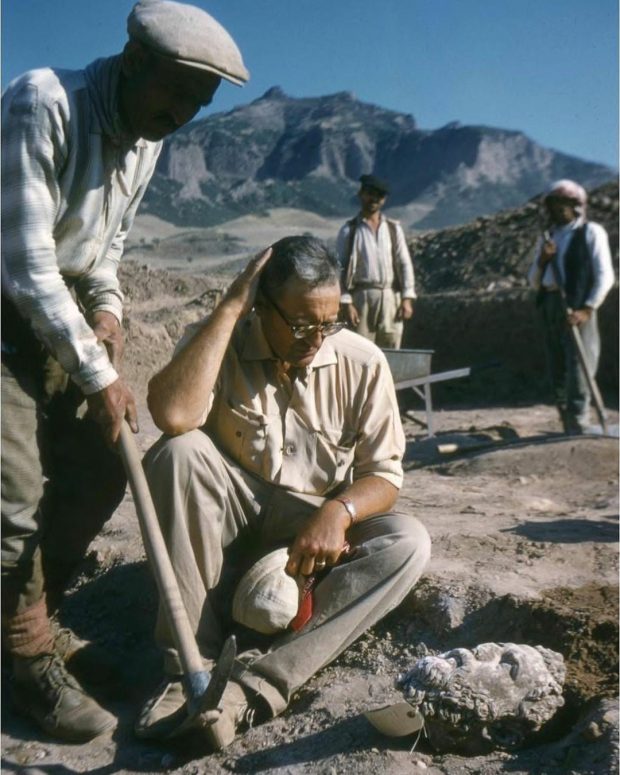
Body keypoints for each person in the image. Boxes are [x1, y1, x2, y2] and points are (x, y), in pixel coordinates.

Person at [1, 0, 248, 742]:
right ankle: (22, 658)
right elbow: (27, 261)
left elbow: (105, 252)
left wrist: (107, 312)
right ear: (134, 61)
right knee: (11, 495)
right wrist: (96, 369)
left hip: (64, 318)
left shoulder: (147, 139)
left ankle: (34, 617)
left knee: (103, 465)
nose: (180, 115)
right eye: (173, 94)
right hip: (9, 304)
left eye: (196, 107)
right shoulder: (43, 101)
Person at [136, 235, 431, 749]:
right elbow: (173, 416)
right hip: (226, 524)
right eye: (299, 323)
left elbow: (384, 475)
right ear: (259, 305)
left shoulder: (362, 363)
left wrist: (339, 512)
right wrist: (229, 309)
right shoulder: (219, 340)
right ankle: (189, 668)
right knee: (177, 453)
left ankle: (255, 688)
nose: (315, 338)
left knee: (408, 542)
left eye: (328, 322)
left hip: (305, 539)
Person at [527, 179, 614, 434]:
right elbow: (533, 281)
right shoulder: (548, 239)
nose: (555, 210)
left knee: (580, 363)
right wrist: (543, 260)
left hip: (577, 306)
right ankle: (566, 420)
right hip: (551, 304)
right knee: (557, 364)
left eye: (560, 204)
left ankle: (579, 420)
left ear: (575, 205)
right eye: (552, 204)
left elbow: (604, 275)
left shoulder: (590, 233)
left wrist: (587, 308)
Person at [337, 174, 416, 348]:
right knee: (360, 348)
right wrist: (346, 302)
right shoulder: (349, 230)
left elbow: (404, 263)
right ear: (361, 194)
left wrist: (407, 298)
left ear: (384, 200)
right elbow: (339, 269)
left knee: (391, 345)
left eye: (379, 196)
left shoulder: (393, 229)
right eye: (370, 193)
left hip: (390, 297)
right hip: (361, 298)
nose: (374, 199)